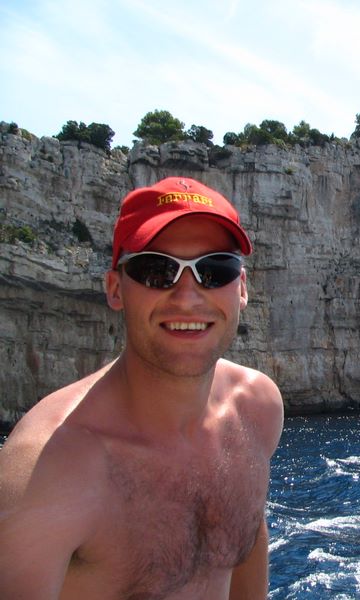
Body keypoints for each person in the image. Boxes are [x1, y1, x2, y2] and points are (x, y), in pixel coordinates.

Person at [0, 177, 284, 599]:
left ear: (241, 288)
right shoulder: (47, 472)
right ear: (115, 289)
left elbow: (244, 540)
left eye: (215, 270)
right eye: (156, 270)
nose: (187, 297)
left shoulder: (257, 409)